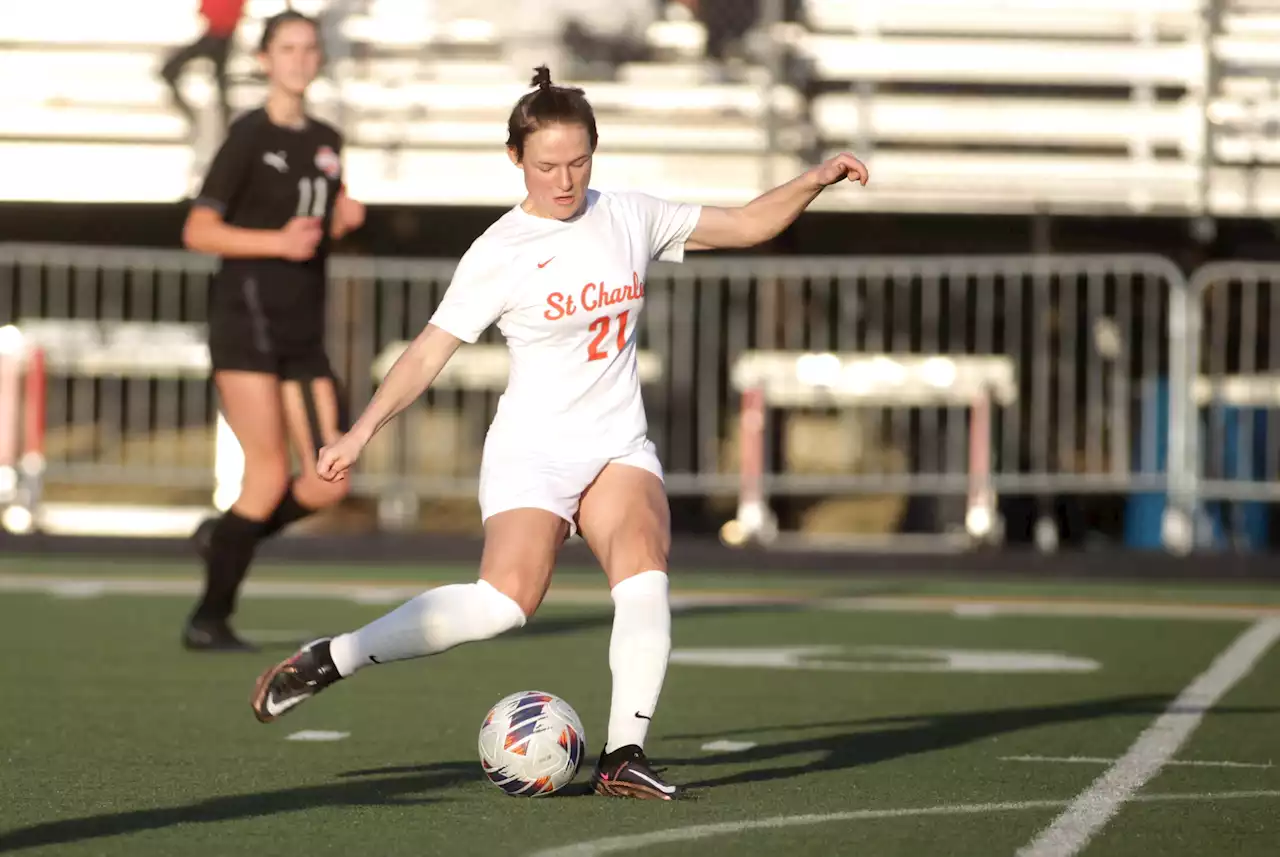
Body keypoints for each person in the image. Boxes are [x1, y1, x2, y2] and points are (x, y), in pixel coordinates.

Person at [249, 66, 867, 799]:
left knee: (645, 570)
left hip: (616, 444)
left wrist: (815, 178)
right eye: (546, 165)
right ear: (516, 160)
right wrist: (358, 434)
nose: (564, 179)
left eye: (578, 162)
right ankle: (334, 656)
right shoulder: (500, 251)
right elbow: (427, 353)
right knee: (503, 603)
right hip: (533, 449)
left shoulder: (629, 215)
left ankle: (622, 752)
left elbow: (747, 224)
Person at [180, 9, 367, 653]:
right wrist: (276, 242)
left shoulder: (326, 137)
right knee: (265, 476)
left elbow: (318, 221)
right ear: (264, 59)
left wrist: (342, 219)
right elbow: (199, 231)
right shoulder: (247, 135)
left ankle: (229, 538)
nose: (300, 58)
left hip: (301, 330)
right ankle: (209, 617)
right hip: (247, 323)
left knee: (328, 479)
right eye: (286, 48)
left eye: (309, 47)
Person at [161, 0, 248, 134]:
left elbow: (210, 12)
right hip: (218, 34)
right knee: (220, 79)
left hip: (219, 35)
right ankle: (222, 116)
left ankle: (221, 118)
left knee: (219, 79)